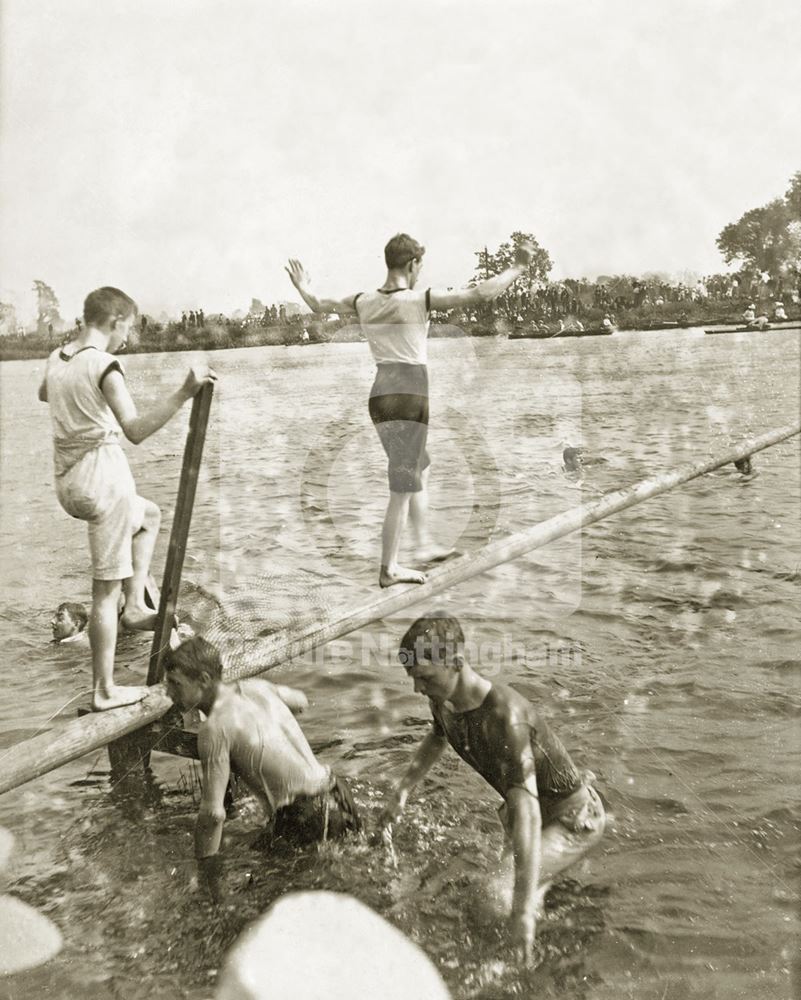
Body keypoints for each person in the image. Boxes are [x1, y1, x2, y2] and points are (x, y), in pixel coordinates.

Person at [286, 235, 535, 587]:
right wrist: (518, 268)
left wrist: (304, 286)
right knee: (402, 486)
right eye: (420, 266)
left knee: (421, 466)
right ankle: (389, 568)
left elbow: (316, 303)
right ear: (411, 265)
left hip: (382, 391)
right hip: (408, 393)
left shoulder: (363, 301)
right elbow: (481, 293)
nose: (420, 272)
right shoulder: (420, 299)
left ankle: (422, 544)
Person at [379, 612, 605, 961]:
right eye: (412, 677)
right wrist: (403, 790)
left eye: (423, 677)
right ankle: (538, 920)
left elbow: (529, 816)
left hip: (570, 819)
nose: (417, 688)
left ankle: (529, 957)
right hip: (524, 815)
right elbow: (437, 738)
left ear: (455, 662)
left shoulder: (505, 717)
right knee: (497, 893)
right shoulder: (444, 700)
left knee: (494, 896)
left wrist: (521, 912)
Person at [38, 286, 216, 710]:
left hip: (68, 481)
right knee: (103, 590)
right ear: (115, 321)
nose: (128, 338)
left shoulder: (58, 357)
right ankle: (104, 689)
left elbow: (45, 393)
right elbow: (135, 430)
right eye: (128, 328)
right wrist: (184, 392)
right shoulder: (105, 365)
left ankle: (135, 606)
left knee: (149, 514)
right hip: (103, 482)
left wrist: (77, 404)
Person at [163, 636, 361, 903]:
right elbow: (300, 700)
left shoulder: (214, 728)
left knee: (273, 901)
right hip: (337, 792)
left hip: (304, 815)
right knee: (349, 878)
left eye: (176, 685)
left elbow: (212, 814)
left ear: (204, 680)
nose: (168, 693)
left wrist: (206, 873)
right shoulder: (256, 687)